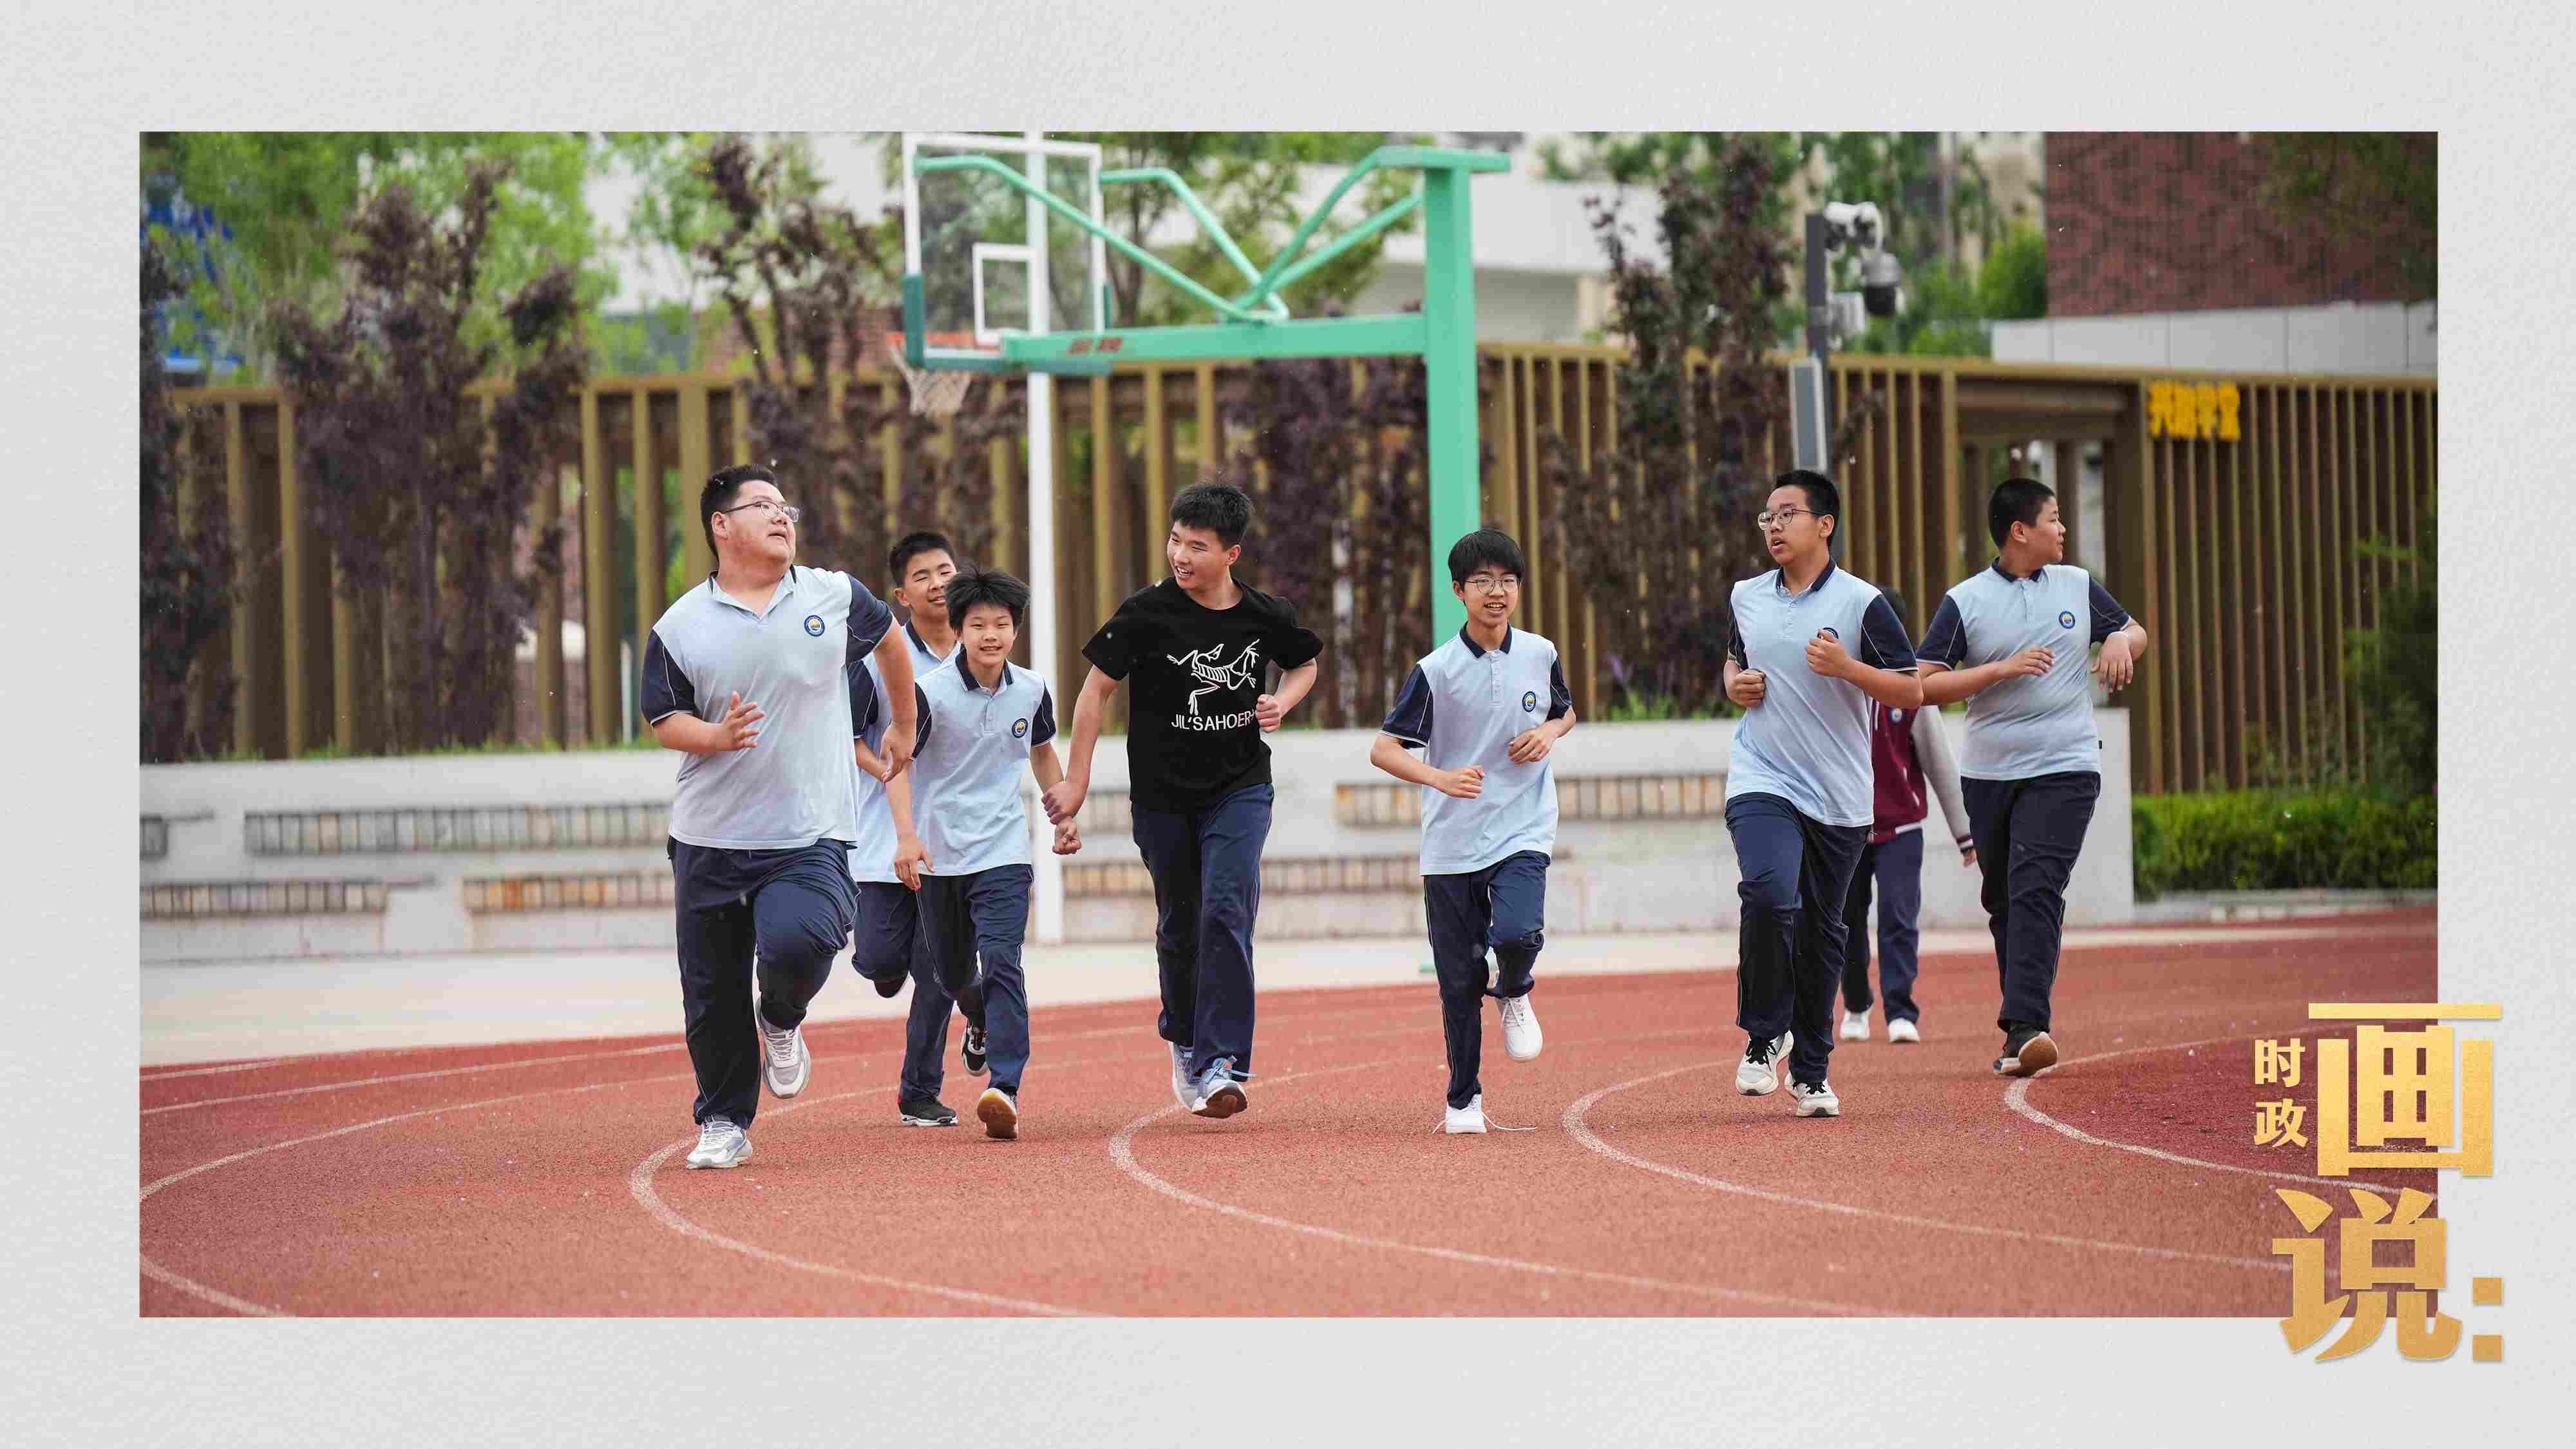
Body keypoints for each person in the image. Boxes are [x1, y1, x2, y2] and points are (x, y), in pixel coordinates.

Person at [641, 464, 916, 1170]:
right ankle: (722, 1121)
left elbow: (891, 642)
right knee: (711, 992)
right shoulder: (681, 626)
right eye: (762, 505)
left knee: (801, 941)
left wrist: (904, 722)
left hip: (809, 832)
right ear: (720, 525)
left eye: (784, 506)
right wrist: (716, 736)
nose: (780, 515)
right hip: (709, 836)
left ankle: (782, 1017)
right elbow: (662, 718)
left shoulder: (832, 595)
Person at [1040, 477, 1322, 1121]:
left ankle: (1222, 1061)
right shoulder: (1147, 612)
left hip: (1240, 788)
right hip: (1162, 797)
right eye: (1175, 540)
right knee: (1180, 922)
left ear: (1231, 554)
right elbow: (1094, 693)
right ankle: (1186, 1037)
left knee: (1227, 908)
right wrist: (1077, 781)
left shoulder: (1265, 615)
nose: (1180, 555)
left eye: (1197, 545)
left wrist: (1282, 701)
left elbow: (1304, 663)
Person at [1916, 477, 2148, 1078]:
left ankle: (2026, 1028)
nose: (2062, 528)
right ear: (2020, 531)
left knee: (2036, 886)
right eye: (2053, 518)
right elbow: (1924, 684)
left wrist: (2119, 640)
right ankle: (2022, 1031)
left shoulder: (2077, 585)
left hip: (2066, 764)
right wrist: (1998, 671)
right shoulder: (1965, 601)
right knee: (2004, 900)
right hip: (1989, 772)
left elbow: (2136, 631)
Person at [1721, 469, 1922, 1120]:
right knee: (1769, 893)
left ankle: (1811, 1072)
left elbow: (1911, 689)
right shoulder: (1746, 596)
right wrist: (1733, 683)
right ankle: (1763, 1035)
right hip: (1763, 776)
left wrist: (1848, 668)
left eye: (1788, 514)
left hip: (1839, 795)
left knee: (1821, 934)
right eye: (1768, 517)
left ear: (1824, 525)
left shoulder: (1863, 604)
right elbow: (1735, 659)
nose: (1774, 526)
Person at [1369, 527, 1576, 1135]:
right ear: (1459, 591)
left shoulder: (1541, 652)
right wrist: (1440, 777)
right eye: (1482, 581)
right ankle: (1463, 1101)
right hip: (1452, 841)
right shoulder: (1436, 671)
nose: (1497, 592)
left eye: (1507, 580)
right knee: (1458, 981)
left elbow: (1565, 710)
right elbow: (1384, 749)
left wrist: (1550, 732)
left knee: (1517, 933)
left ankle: (1513, 988)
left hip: (1523, 825)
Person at [886, 566, 1079, 1141]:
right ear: (958, 629)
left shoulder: (1032, 689)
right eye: (977, 625)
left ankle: (1005, 1087)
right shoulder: (930, 693)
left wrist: (1063, 814)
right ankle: (980, 1018)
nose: (990, 635)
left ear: (1015, 629)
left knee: (1001, 961)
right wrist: (906, 837)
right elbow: (900, 766)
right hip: (942, 855)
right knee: (952, 974)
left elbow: (1041, 752)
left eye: (1001, 624)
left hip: (1003, 850)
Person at [844, 530, 963, 1127]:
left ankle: (919, 1091)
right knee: (881, 959)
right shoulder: (879, 661)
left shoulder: (984, 654)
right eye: (923, 577)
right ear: (902, 596)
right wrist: (889, 768)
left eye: (945, 571)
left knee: (938, 971)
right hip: (885, 838)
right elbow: (847, 738)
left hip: (955, 842)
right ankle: (885, 968)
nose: (938, 584)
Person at [1837, 587, 1975, 1046]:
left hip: (1902, 828)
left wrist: (1965, 834)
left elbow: (1940, 764)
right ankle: (1857, 1005)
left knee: (1898, 916)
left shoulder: (1912, 694)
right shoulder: (1841, 686)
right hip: (1847, 827)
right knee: (1845, 921)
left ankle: (1900, 1010)